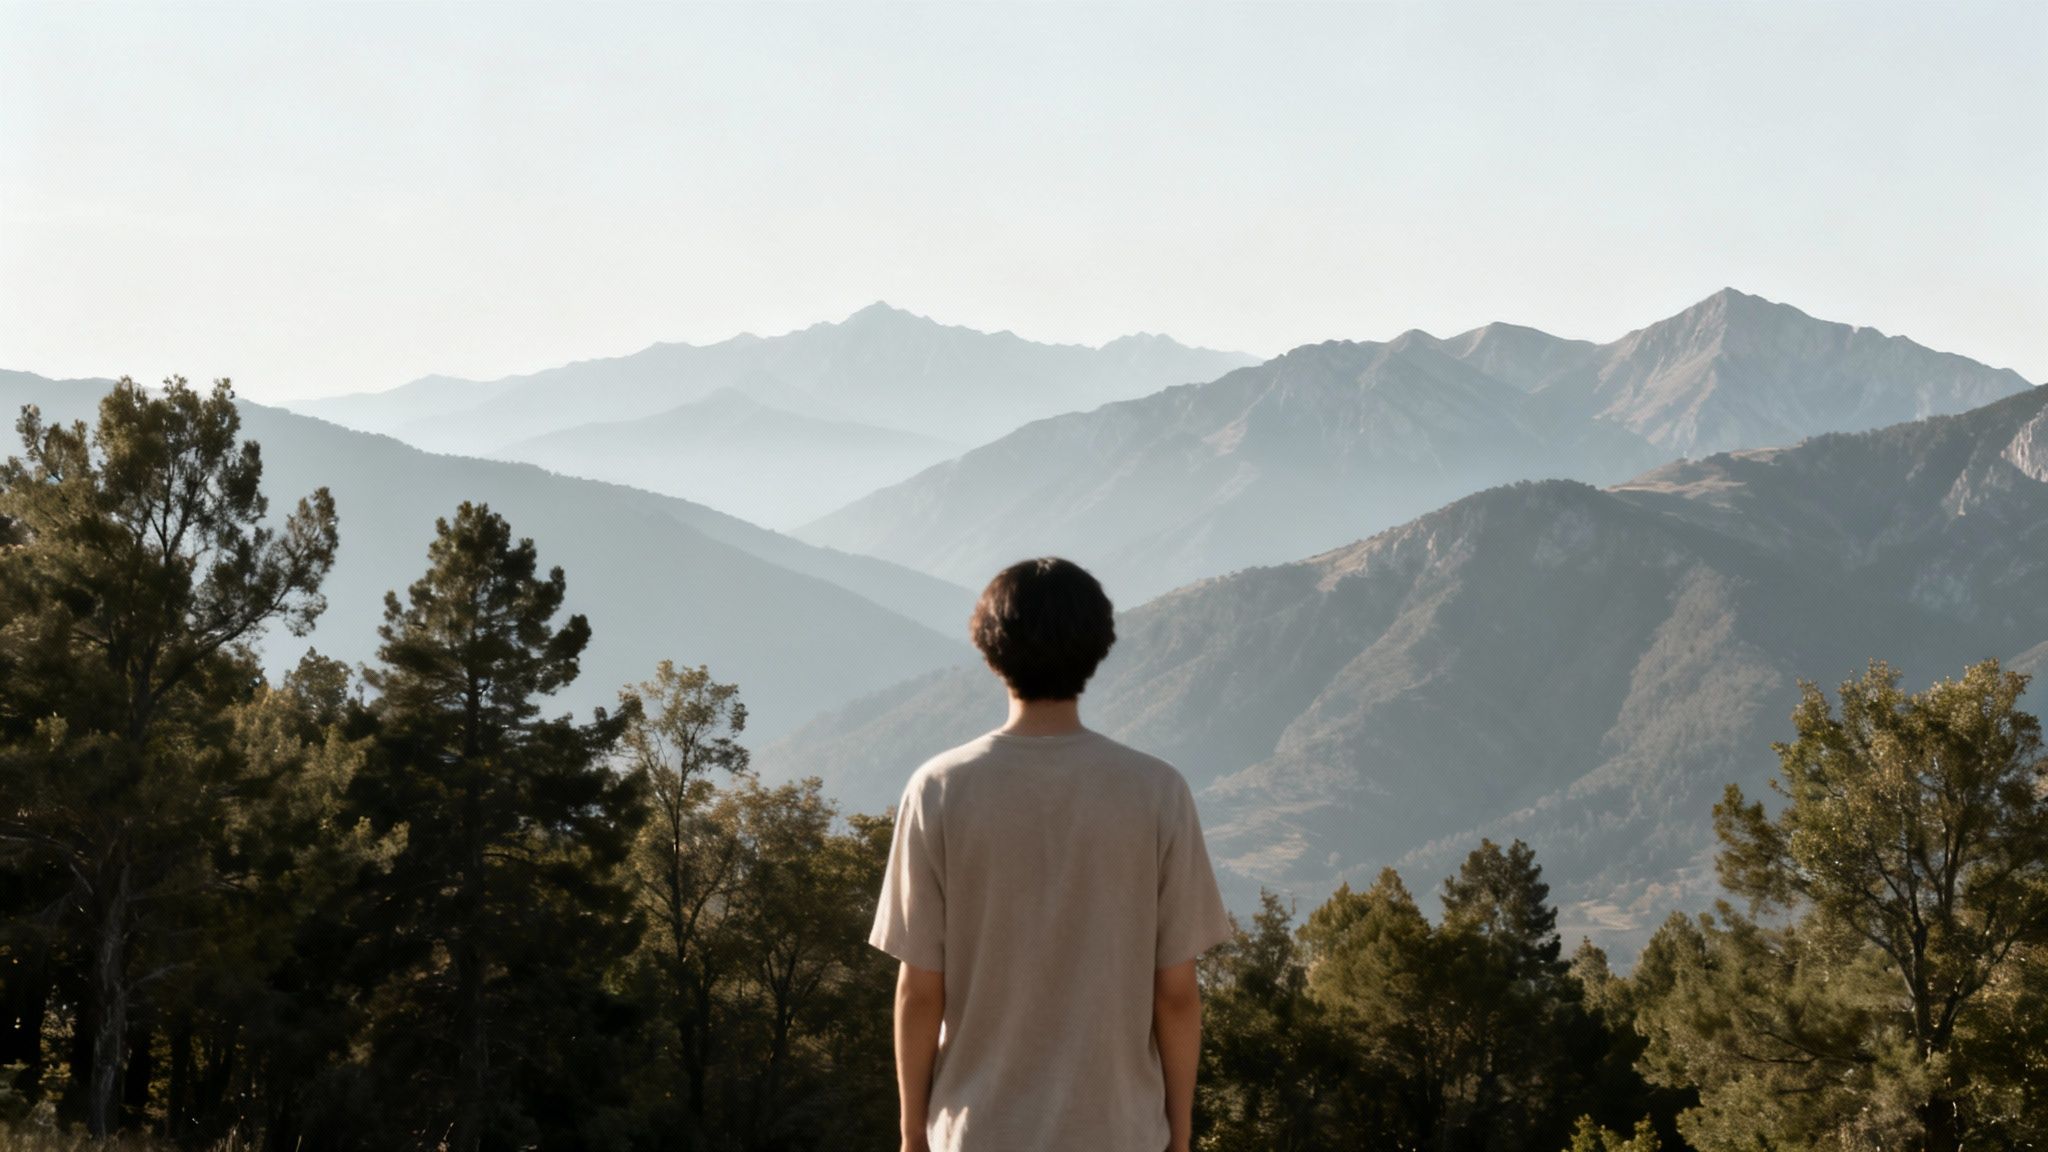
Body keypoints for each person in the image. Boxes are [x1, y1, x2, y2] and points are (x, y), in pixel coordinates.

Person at [868, 557, 1235, 1152]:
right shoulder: (1156, 791)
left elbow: (919, 990)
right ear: (1098, 648)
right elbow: (1175, 993)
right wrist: (1179, 1130)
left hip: (977, 1132)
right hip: (1120, 1132)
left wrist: (912, 1134)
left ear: (989, 650)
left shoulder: (938, 788)